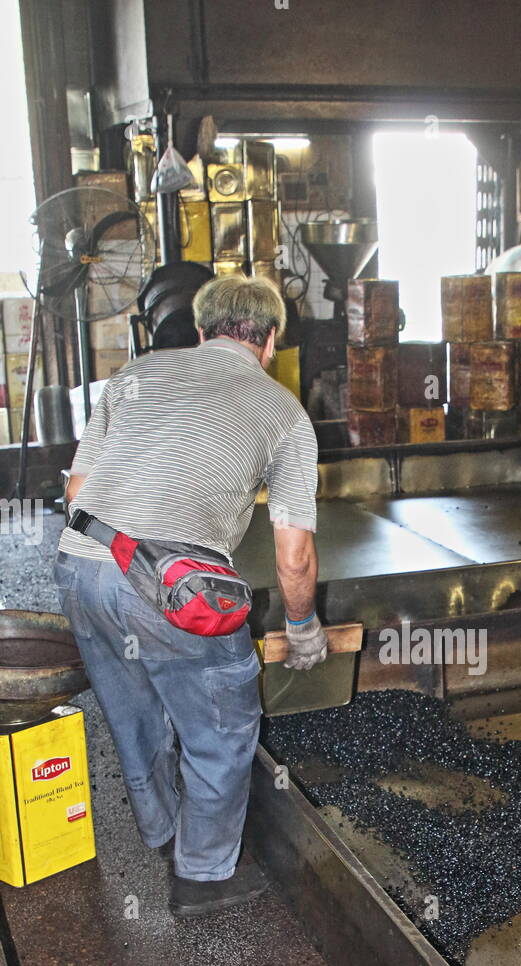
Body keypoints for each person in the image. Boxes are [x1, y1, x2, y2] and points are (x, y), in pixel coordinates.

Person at [54, 274, 327, 918]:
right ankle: (203, 878)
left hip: (82, 563)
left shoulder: (133, 378)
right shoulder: (284, 412)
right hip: (176, 588)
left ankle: (162, 833)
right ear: (269, 344)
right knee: (223, 727)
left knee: (131, 710)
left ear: (202, 332)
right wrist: (305, 628)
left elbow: (76, 492)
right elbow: (295, 556)